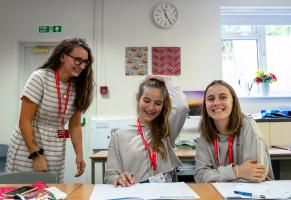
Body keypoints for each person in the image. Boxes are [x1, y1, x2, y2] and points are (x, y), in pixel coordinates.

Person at [5, 38, 94, 182]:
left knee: (51, 190)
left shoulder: (78, 87)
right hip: (28, 146)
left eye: (85, 62)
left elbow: (75, 125)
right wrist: (35, 155)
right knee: (22, 189)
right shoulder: (40, 78)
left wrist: (79, 155)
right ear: (62, 57)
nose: (82, 66)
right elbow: (24, 121)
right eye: (77, 60)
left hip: (55, 148)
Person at [104, 75, 189, 187]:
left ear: (163, 105)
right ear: (138, 100)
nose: (151, 107)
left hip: (164, 194)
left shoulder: (166, 130)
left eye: (158, 103)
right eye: (147, 100)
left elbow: (182, 107)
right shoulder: (119, 136)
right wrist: (118, 178)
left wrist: (166, 79)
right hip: (134, 194)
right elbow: (110, 176)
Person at [194, 80, 274, 183]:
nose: (216, 103)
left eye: (223, 97)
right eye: (210, 99)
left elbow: (256, 174)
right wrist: (237, 171)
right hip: (220, 194)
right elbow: (200, 177)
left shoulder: (248, 125)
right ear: (205, 105)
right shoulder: (205, 133)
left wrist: (216, 176)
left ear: (233, 101)